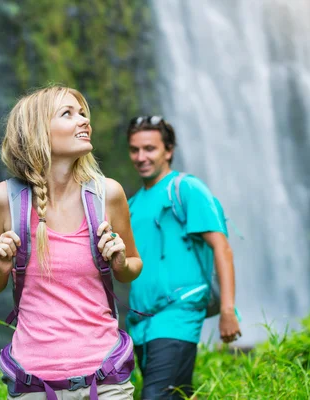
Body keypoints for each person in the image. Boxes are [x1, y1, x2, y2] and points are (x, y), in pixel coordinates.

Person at [0, 86, 143, 399]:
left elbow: (132, 267)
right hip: (33, 382)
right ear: (37, 132)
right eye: (68, 114)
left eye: (83, 114)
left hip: (106, 376)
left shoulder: (108, 194)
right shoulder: (4, 200)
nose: (84, 121)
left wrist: (120, 261)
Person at [125, 115, 241, 400]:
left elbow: (221, 247)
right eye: (134, 149)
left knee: (155, 395)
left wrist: (227, 310)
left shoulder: (186, 189)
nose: (141, 157)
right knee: (174, 394)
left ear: (169, 150)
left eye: (149, 148)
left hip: (178, 315)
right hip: (141, 323)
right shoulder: (132, 203)